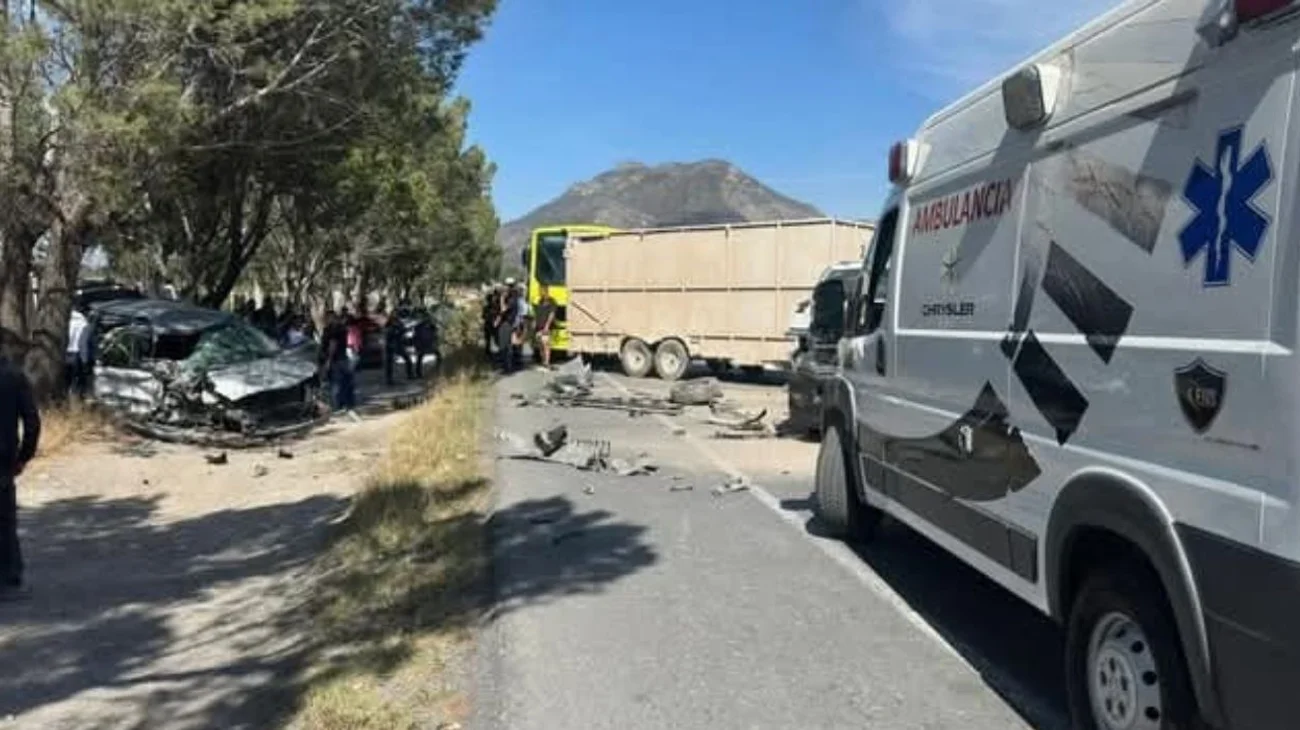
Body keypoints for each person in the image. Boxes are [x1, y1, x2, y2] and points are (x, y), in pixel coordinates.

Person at [0, 354, 40, 601]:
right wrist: (24, 456)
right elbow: (32, 422)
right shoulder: (14, 376)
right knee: (4, 520)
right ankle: (10, 575)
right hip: (3, 460)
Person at [320, 310, 359, 421]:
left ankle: (338, 407)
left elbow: (333, 345)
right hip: (343, 358)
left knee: (336, 383)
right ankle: (349, 404)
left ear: (331, 318)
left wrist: (328, 361)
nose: (325, 320)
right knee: (347, 382)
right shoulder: (342, 328)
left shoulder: (332, 329)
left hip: (336, 360)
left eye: (327, 318)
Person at [65, 304, 93, 399]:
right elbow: (83, 343)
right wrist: (85, 361)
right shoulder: (83, 322)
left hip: (63, 354)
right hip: (75, 355)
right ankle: (75, 402)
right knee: (76, 383)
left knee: (65, 382)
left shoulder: (64, 319)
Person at [495, 283, 519, 374]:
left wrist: (501, 299)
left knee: (505, 346)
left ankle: (507, 368)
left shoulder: (512, 300)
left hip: (508, 324)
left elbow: (503, 309)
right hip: (507, 324)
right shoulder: (512, 298)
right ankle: (506, 367)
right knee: (505, 346)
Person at [533, 287, 557, 370]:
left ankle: (547, 362)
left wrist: (547, 326)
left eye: (541, 291)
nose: (540, 293)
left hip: (546, 327)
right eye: (539, 291)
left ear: (546, 291)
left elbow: (552, 314)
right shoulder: (540, 301)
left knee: (546, 344)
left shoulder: (551, 301)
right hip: (538, 327)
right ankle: (543, 361)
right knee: (540, 345)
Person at [382, 310, 407, 386]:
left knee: (407, 358)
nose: (395, 316)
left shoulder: (399, 323)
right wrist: (394, 331)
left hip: (397, 344)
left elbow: (403, 330)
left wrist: (400, 331)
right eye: (394, 314)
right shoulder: (388, 324)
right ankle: (389, 380)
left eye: (396, 314)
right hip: (390, 344)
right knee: (389, 363)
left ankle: (410, 374)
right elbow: (386, 332)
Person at [411, 312, 436, 379]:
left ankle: (436, 370)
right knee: (419, 358)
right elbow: (415, 335)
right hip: (420, 344)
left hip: (426, 343)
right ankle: (418, 373)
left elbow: (434, 331)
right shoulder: (419, 326)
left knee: (437, 355)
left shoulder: (430, 325)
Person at [481, 285, 500, 359]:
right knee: (492, 340)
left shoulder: (488, 307)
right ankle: (491, 354)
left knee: (490, 340)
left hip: (491, 324)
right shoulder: (493, 307)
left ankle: (491, 354)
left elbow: (483, 316)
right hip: (491, 325)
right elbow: (483, 316)